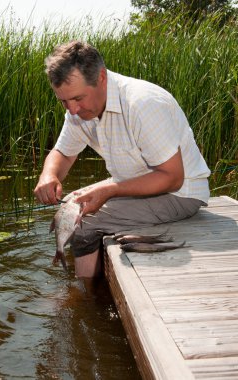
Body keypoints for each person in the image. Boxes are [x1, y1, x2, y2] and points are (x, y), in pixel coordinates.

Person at [34, 40, 211, 279]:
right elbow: (63, 153)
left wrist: (109, 191)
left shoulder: (142, 104)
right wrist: (49, 175)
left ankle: (82, 296)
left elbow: (173, 178)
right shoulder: (78, 111)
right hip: (140, 184)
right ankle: (91, 274)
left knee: (83, 223)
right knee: (70, 205)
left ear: (102, 78)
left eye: (77, 99)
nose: (72, 110)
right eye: (63, 101)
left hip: (180, 194)